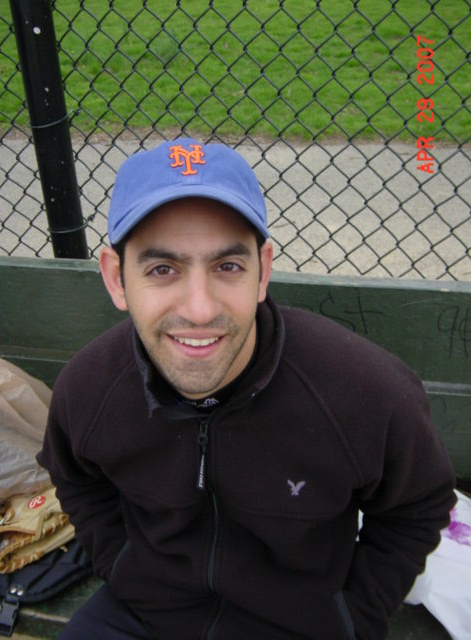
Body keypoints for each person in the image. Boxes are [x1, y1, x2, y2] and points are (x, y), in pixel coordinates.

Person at [37, 138, 456, 640]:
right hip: (144, 615)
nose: (199, 309)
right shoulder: (89, 388)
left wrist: (354, 618)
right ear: (115, 278)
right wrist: (124, 565)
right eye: (162, 269)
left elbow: (419, 505)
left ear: (263, 272)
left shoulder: (365, 392)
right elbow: (76, 481)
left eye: (228, 267)